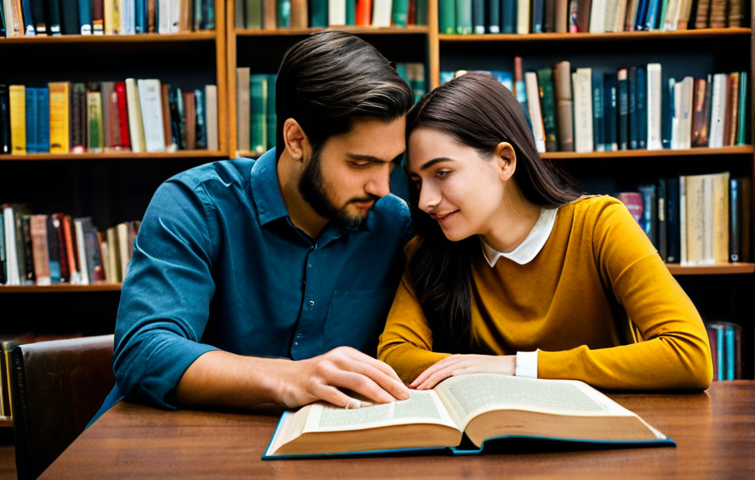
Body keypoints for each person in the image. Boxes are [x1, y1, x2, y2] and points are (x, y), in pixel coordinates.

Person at [97, 31, 415, 419]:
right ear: (296, 140)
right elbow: (144, 352)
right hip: (175, 450)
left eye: (392, 163)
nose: (382, 187)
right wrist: (289, 378)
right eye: (360, 164)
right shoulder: (196, 204)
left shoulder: (392, 222)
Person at [377, 72, 713, 391]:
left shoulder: (599, 225)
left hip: (604, 438)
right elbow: (395, 355)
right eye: (418, 181)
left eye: (443, 172)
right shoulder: (428, 251)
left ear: (504, 161)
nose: (424, 201)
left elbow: (689, 355)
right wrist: (474, 369)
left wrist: (517, 367)